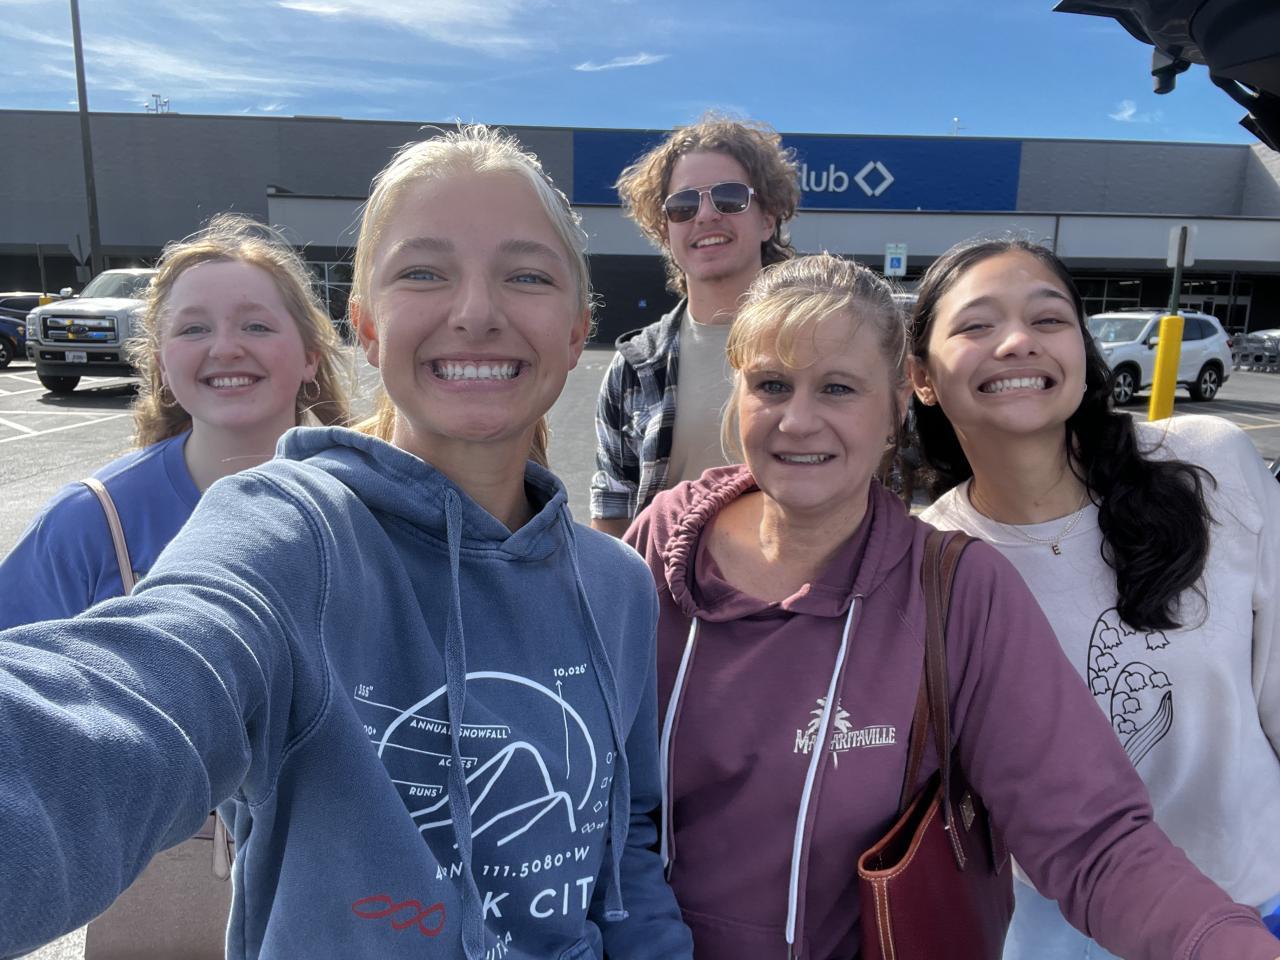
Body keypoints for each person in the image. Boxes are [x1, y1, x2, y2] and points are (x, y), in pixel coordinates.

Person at [0, 126, 691, 960]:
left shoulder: (615, 585)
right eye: (423, 273)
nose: (476, 313)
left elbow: (626, 838)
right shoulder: (288, 533)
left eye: (527, 276)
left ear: (578, 331)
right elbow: (132, 693)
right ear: (365, 325)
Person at [623, 252, 1280, 960]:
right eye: (771, 385)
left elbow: (1091, 836)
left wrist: (1227, 945)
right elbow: (597, 795)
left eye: (839, 388)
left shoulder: (951, 587)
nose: (798, 421)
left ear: (895, 407)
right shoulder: (658, 548)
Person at [906, 238, 1280, 957]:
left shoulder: (1210, 463)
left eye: (1049, 319)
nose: (1018, 342)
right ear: (922, 377)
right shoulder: (929, 559)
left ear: (1082, 349)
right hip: (1051, 928)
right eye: (977, 325)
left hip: (1253, 903)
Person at [0, 213, 350, 628]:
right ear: (162, 365)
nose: (225, 348)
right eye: (193, 329)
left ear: (310, 357)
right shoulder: (90, 522)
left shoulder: (362, 503)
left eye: (256, 326)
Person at [590, 115, 800, 535]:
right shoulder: (634, 367)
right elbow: (613, 513)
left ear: (767, 218)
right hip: (666, 577)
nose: (705, 215)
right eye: (683, 206)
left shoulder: (823, 344)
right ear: (665, 231)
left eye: (729, 197)